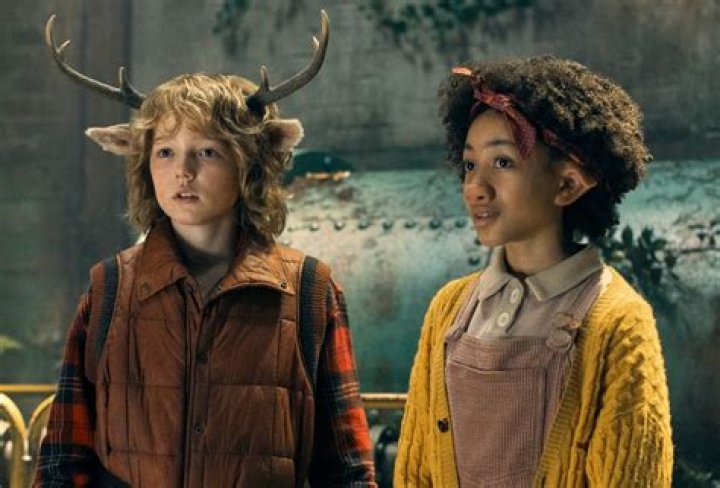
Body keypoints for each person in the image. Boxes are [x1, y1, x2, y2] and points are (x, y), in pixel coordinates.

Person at [35, 12, 376, 487]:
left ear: (249, 162)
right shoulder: (108, 288)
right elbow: (62, 461)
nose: (183, 171)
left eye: (208, 151)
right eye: (166, 152)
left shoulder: (310, 292)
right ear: (143, 162)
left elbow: (347, 471)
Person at [394, 55, 673, 487]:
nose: (475, 188)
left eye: (503, 162)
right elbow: (416, 470)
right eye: (470, 165)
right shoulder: (449, 309)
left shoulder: (618, 321)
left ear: (568, 184)